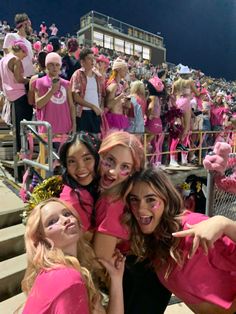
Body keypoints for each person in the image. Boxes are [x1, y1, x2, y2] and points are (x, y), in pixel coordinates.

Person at [124, 166, 236, 314]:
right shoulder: (153, 244)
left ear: (166, 199)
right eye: (134, 200)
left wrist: (225, 224)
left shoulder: (192, 227)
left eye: (151, 200)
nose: (140, 209)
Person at [93, 131, 171, 314]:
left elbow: (100, 261)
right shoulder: (113, 191)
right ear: (100, 154)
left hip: (140, 284)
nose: (113, 172)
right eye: (109, 161)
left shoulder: (113, 203)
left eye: (124, 167)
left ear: (133, 172)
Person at [21, 198, 125, 314]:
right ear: (42, 239)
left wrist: (116, 278)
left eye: (67, 214)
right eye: (52, 222)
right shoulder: (66, 277)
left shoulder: (62, 271)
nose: (65, 219)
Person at [59, 132, 101, 232]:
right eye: (72, 161)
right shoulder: (73, 200)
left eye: (87, 159)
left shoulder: (99, 187)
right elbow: (82, 242)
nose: (80, 168)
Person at [0, 40, 33, 152]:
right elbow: (19, 78)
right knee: (24, 127)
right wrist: (31, 80)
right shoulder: (16, 60)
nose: (24, 57)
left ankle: (20, 152)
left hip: (10, 96)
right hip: (19, 95)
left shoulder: (3, 60)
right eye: (24, 54)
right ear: (21, 50)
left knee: (17, 128)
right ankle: (24, 152)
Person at [34, 52, 75, 135]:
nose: (55, 67)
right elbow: (38, 104)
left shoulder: (66, 83)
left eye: (57, 64)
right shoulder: (40, 82)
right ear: (47, 65)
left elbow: (71, 106)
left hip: (65, 127)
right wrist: (52, 90)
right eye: (51, 64)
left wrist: (74, 124)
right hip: (47, 128)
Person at [70, 48, 104, 133]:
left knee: (96, 142)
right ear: (82, 62)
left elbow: (102, 95)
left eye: (93, 58)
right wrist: (92, 106)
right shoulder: (77, 74)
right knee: (83, 142)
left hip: (96, 114)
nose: (92, 61)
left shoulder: (97, 76)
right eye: (89, 58)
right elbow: (76, 97)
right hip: (83, 113)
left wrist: (100, 108)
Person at [171, 65, 199, 165]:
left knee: (178, 130)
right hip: (186, 102)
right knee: (186, 130)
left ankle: (174, 159)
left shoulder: (175, 83)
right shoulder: (189, 81)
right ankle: (183, 159)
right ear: (187, 74)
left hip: (178, 102)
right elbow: (198, 93)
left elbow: (172, 95)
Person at [3, 13, 34, 77]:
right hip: (16, 79)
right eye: (29, 25)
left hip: (28, 77)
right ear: (23, 24)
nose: (30, 27)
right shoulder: (11, 36)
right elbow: (7, 55)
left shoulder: (28, 43)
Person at [105, 58, 130, 130]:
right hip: (113, 119)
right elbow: (108, 105)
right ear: (118, 70)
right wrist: (121, 96)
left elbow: (127, 106)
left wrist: (126, 98)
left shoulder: (120, 85)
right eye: (125, 69)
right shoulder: (113, 85)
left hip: (120, 118)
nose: (127, 71)